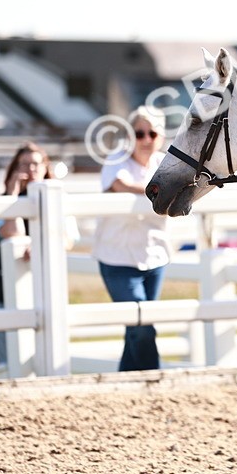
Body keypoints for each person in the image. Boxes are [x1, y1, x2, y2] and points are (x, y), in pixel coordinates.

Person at [93, 107, 171, 371]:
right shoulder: (117, 159)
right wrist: (160, 191)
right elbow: (120, 186)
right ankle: (153, 379)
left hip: (155, 256)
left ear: (160, 136)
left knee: (136, 328)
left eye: (152, 133)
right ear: (130, 135)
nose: (146, 139)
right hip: (118, 258)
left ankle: (125, 382)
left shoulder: (167, 162)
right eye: (140, 133)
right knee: (143, 325)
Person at [0, 142, 54, 372]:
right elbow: (11, 234)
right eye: (24, 164)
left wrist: (41, 245)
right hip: (1, 287)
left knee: (44, 351)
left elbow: (67, 238)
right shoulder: (4, 201)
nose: (30, 169)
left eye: (35, 164)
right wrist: (12, 194)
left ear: (45, 167)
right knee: (6, 357)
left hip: (42, 288)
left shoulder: (55, 199)